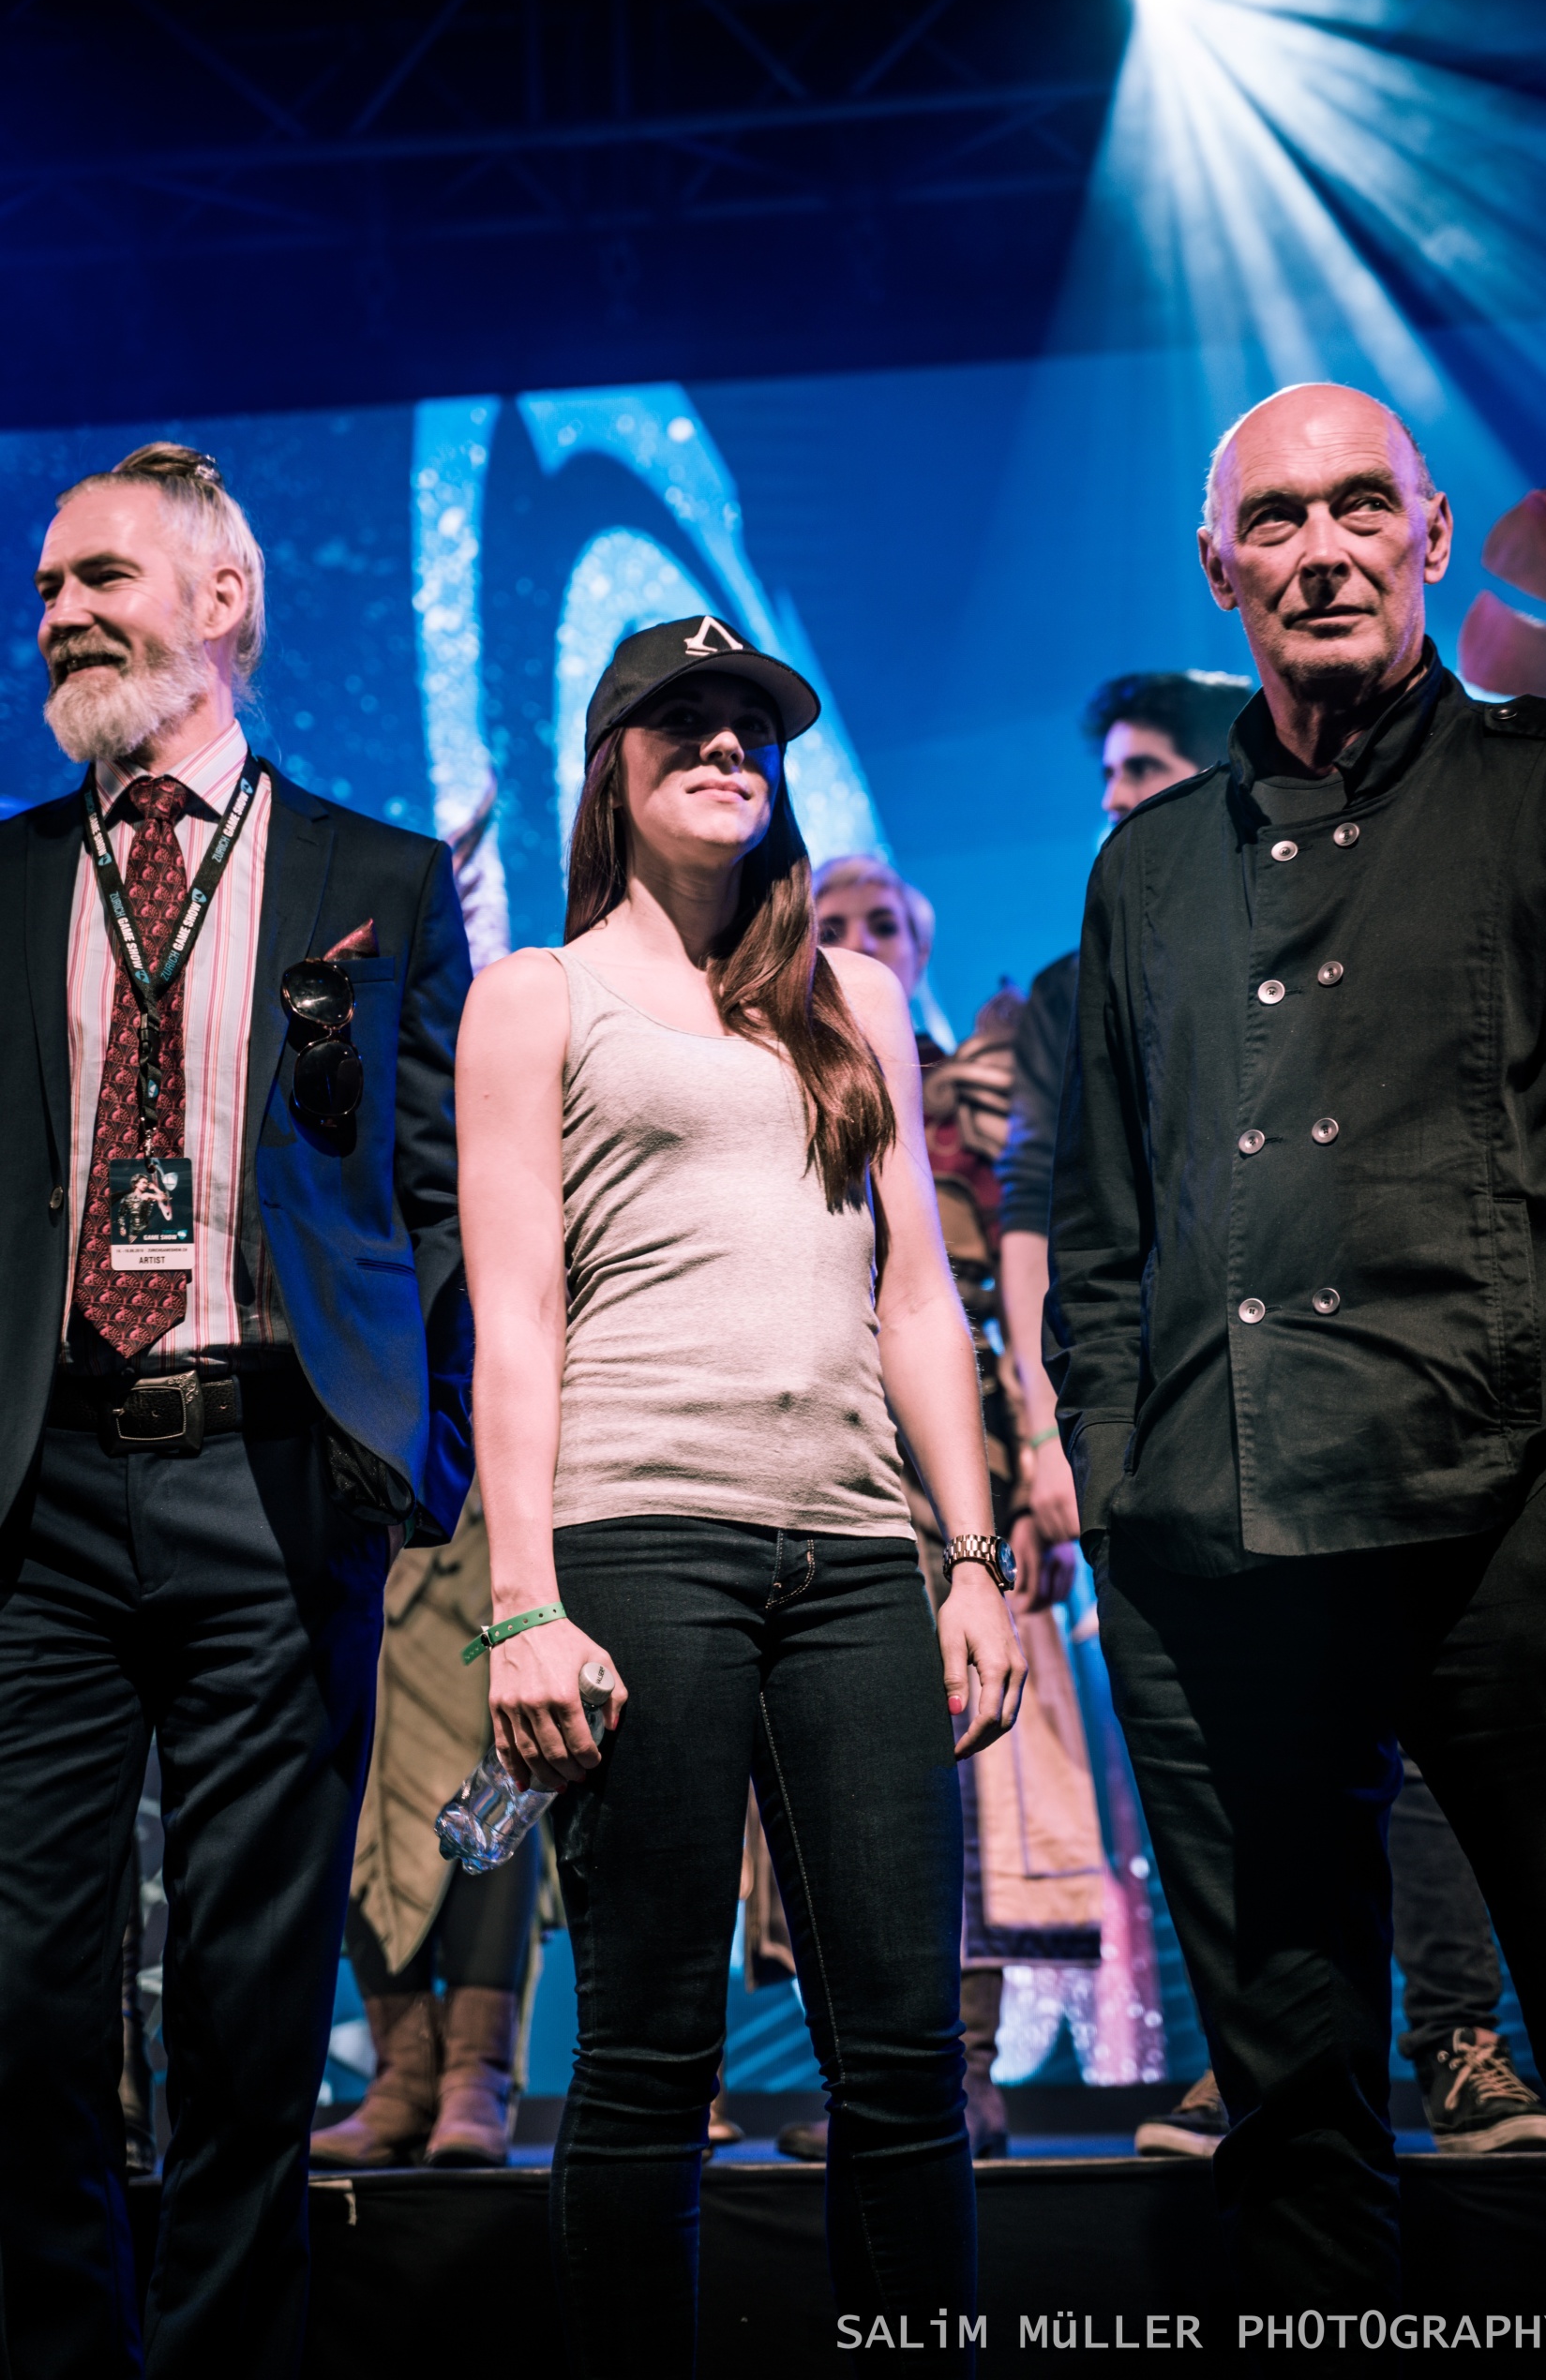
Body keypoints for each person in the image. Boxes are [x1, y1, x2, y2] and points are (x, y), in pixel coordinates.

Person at [1048, 381, 1546, 2339]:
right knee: (1288, 2107)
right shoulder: (1144, 870)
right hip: (1217, 1546)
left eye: (1359, 507)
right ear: (1218, 570)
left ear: (1429, 536)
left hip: (1505, 1522)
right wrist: (1115, 1478)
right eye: (1273, 521)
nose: (1320, 551)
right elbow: (1099, 1221)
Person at [456, 616, 1027, 2377]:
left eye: (751, 729)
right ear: (612, 765)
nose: (725, 748)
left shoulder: (853, 1001)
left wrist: (970, 1559)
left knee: (904, 2056)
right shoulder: (535, 996)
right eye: (685, 721)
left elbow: (915, 1298)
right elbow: (516, 1317)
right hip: (640, 1544)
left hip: (855, 1556)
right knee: (647, 2054)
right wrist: (523, 1603)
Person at [0, 443, 473, 2380]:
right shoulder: (12, 876)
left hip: (273, 1475)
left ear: (222, 600)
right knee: (23, 1986)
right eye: (44, 588)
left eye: (98, 576)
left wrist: (405, 1443)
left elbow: (436, 1197)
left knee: (250, 1990)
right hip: (43, 1490)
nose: (57, 615)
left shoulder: (374, 877)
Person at [798, 856, 1104, 2163]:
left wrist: (1028, 1485)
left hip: (966, 1472)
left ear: (918, 942)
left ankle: (961, 2072)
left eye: (882, 921)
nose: (860, 937)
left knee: (981, 1775)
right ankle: (863, 2074)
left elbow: (1019, 1290)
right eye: (833, 922)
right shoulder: (788, 1076)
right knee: (833, 1778)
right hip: (826, 1458)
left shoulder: (983, 1091)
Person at [998, 671, 1252, 2157]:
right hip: (1155, 1440)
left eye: (1142, 770)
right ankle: (1247, 2061)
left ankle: (1464, 2045)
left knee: (1397, 1761)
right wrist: (1053, 1436)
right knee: (1202, 1765)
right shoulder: (1069, 986)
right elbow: (1041, 1212)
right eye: (1104, 775)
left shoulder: (1304, 946)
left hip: (1335, 1418)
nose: (1112, 798)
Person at [311, 1487, 540, 2171]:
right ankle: (404, 2081)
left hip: (476, 1505)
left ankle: (477, 2078)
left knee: (492, 1776)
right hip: (362, 1506)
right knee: (366, 1781)